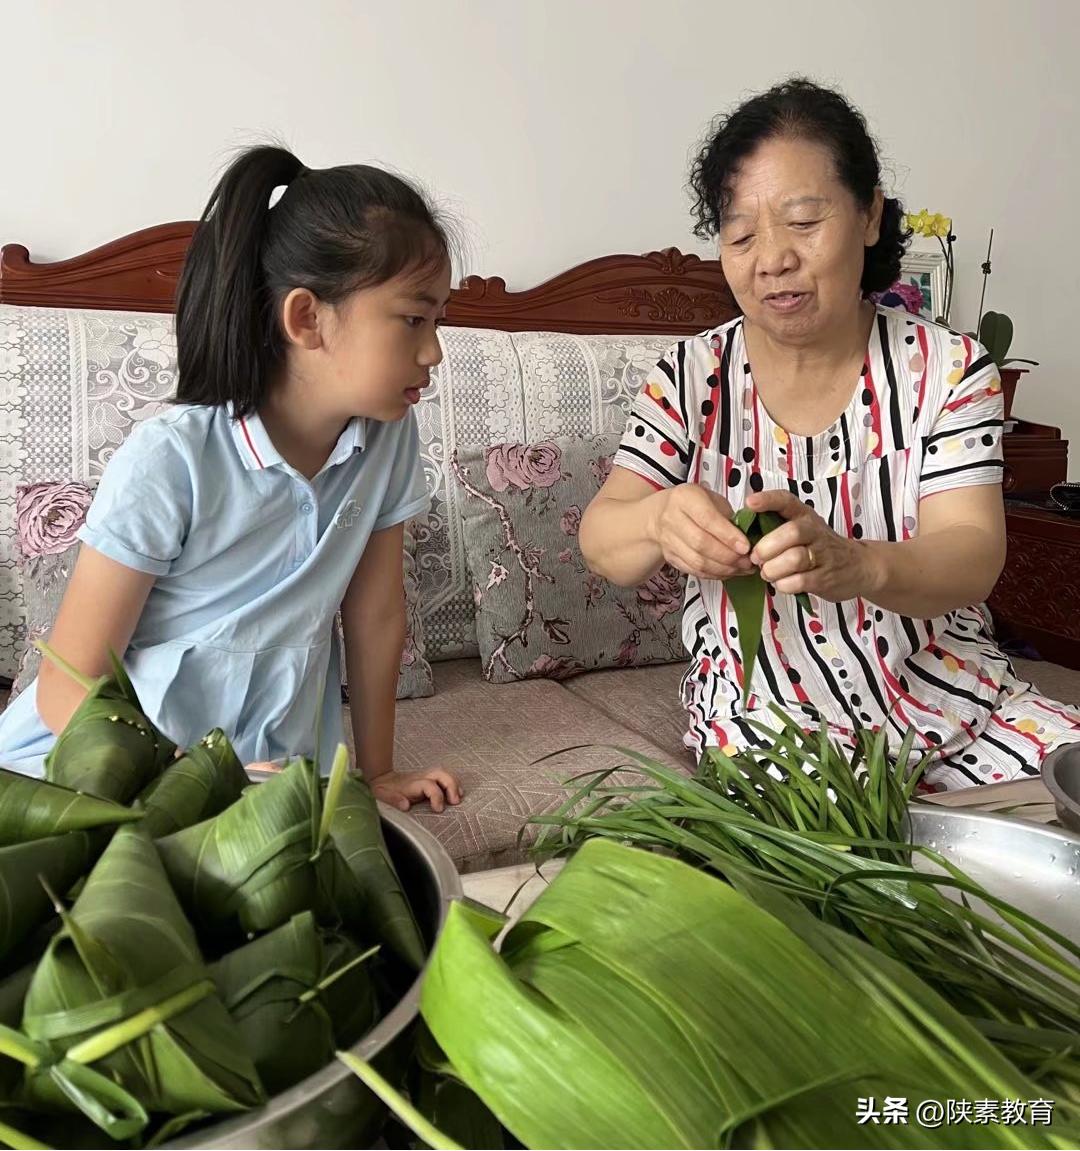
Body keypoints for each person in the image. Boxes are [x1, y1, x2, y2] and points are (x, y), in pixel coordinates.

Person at [580, 78, 1080, 791]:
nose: (772, 257)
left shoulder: (949, 370)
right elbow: (603, 540)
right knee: (851, 865)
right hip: (768, 716)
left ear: (870, 215)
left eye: (805, 221)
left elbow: (972, 554)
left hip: (954, 698)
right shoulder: (689, 378)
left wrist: (857, 564)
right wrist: (660, 520)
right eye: (742, 233)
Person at [0, 146, 462, 813]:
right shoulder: (172, 459)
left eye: (440, 319)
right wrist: (177, 779)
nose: (434, 350)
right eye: (414, 318)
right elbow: (67, 684)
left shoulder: (387, 436)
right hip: (106, 780)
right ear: (307, 318)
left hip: (269, 785)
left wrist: (377, 770)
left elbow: (376, 614)